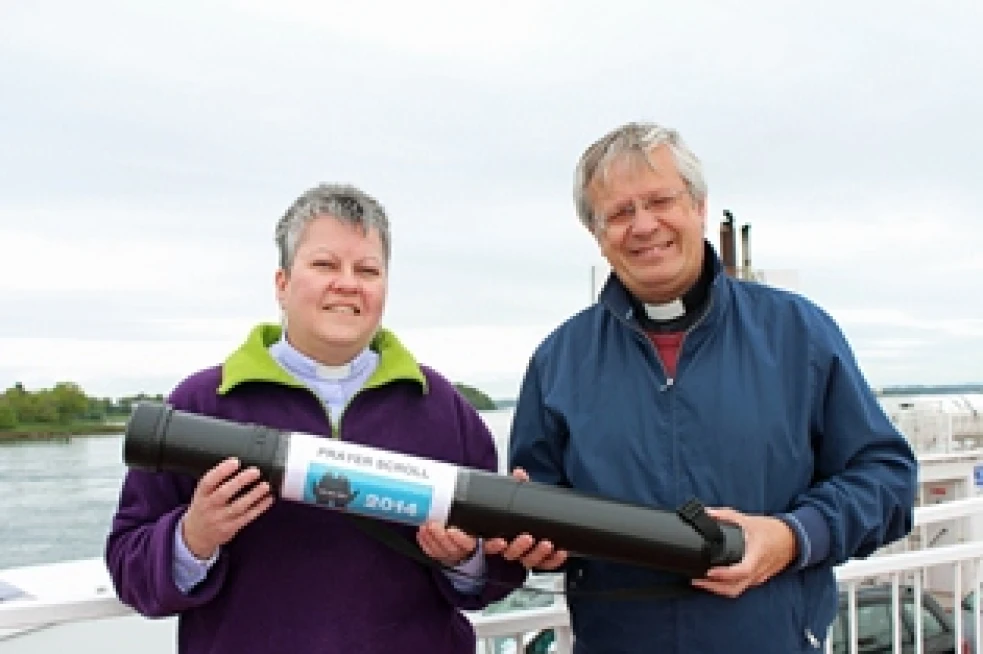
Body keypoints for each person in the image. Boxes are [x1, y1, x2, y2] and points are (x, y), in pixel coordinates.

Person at [496, 122, 918, 653]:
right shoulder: (559, 360)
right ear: (598, 235)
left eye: (660, 200)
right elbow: (533, 506)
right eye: (620, 213)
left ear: (698, 207)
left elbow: (888, 480)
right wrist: (525, 542)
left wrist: (791, 537)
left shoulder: (799, 334)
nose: (644, 225)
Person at [105, 183, 526, 654]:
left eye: (367, 269)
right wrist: (194, 536)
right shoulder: (199, 406)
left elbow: (499, 574)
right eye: (325, 264)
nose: (347, 283)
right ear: (282, 284)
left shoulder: (443, 408)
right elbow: (128, 568)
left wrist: (465, 560)